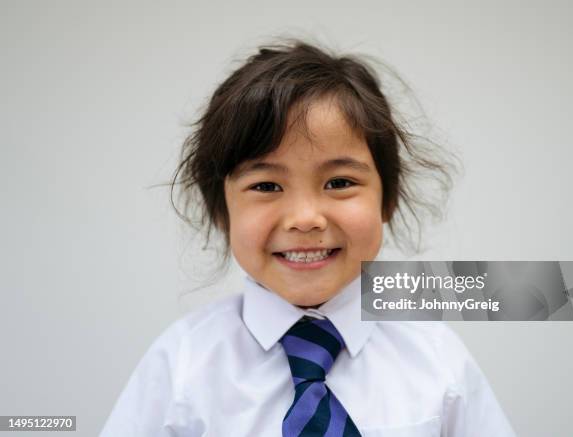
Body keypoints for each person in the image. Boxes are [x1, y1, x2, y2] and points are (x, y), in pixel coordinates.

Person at [100, 40, 516, 436]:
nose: (304, 219)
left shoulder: (437, 357)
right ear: (221, 211)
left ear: (387, 198)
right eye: (266, 186)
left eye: (338, 182)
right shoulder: (182, 363)